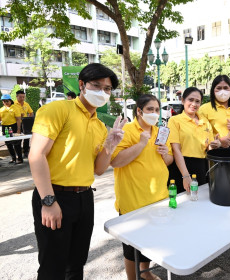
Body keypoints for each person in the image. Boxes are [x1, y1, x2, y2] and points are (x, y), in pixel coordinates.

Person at [29, 63, 127, 280]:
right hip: (55, 195)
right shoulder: (58, 110)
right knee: (52, 266)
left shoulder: (100, 126)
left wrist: (110, 144)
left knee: (76, 264)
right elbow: (36, 155)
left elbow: (99, 169)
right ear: (82, 85)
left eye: (108, 89)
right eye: (96, 85)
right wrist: (48, 201)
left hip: (84, 198)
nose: (102, 92)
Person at [111, 94, 173, 280]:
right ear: (139, 111)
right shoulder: (128, 131)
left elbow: (169, 161)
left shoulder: (160, 131)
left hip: (158, 199)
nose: (154, 113)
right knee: (131, 250)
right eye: (150, 109)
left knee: (150, 244)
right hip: (133, 202)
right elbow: (115, 161)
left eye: (156, 110)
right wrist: (140, 144)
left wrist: (164, 153)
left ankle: (145, 273)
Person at [167, 87, 218, 193]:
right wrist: (185, 176)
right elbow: (176, 149)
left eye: (197, 101)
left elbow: (208, 149)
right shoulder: (175, 120)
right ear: (182, 100)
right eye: (190, 100)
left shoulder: (205, 122)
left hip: (202, 167)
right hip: (181, 167)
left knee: (200, 201)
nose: (194, 104)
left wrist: (214, 145)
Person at [0, 94, 23, 164]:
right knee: (8, 143)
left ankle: (20, 158)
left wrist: (18, 129)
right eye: (3, 101)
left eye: (7, 101)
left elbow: (18, 119)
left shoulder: (15, 108)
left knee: (16, 143)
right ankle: (13, 158)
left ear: (10, 101)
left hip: (14, 127)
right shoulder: (1, 109)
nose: (5, 103)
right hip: (5, 128)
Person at [14, 90, 34, 158]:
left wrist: (29, 119)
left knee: (26, 139)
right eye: (20, 97)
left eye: (23, 97)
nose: (22, 98)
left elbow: (31, 112)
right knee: (17, 139)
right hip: (17, 124)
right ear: (16, 96)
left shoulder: (26, 104)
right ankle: (18, 153)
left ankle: (26, 152)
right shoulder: (13, 104)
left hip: (25, 124)